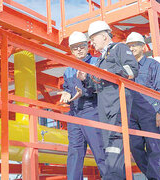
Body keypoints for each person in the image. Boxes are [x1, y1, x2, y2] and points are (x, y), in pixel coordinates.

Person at [79, 20, 138, 180]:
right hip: (104, 107)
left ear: (104, 36)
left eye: (93, 38)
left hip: (118, 104)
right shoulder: (100, 60)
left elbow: (132, 70)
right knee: (108, 146)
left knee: (115, 143)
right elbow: (95, 85)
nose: (91, 43)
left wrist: (107, 71)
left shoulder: (120, 48)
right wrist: (85, 79)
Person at [58, 31, 106, 180]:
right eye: (74, 48)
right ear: (71, 50)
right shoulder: (69, 70)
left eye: (81, 46)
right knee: (74, 153)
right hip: (74, 113)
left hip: (92, 109)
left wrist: (84, 89)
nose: (78, 50)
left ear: (88, 46)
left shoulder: (96, 63)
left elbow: (101, 87)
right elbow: (67, 87)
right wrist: (66, 93)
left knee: (100, 150)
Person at [126, 32, 160, 180]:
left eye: (135, 45)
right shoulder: (126, 68)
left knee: (154, 148)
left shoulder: (152, 64)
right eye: (129, 46)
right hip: (131, 114)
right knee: (135, 148)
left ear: (143, 46)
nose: (132, 48)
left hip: (150, 112)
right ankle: (153, 177)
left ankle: (155, 177)